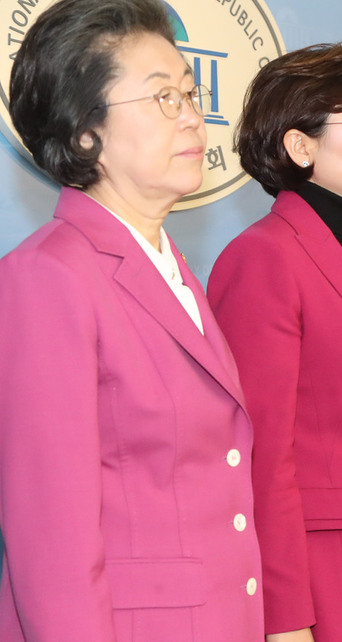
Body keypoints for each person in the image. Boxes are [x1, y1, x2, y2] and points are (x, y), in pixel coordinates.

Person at [0, 0, 264, 639]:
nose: (193, 116)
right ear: (85, 130)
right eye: (162, 99)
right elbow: (53, 540)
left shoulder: (172, 270)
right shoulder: (48, 277)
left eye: (190, 92)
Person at [207, 43, 342, 641]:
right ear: (300, 146)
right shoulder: (263, 258)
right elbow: (261, 454)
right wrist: (285, 616)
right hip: (326, 582)